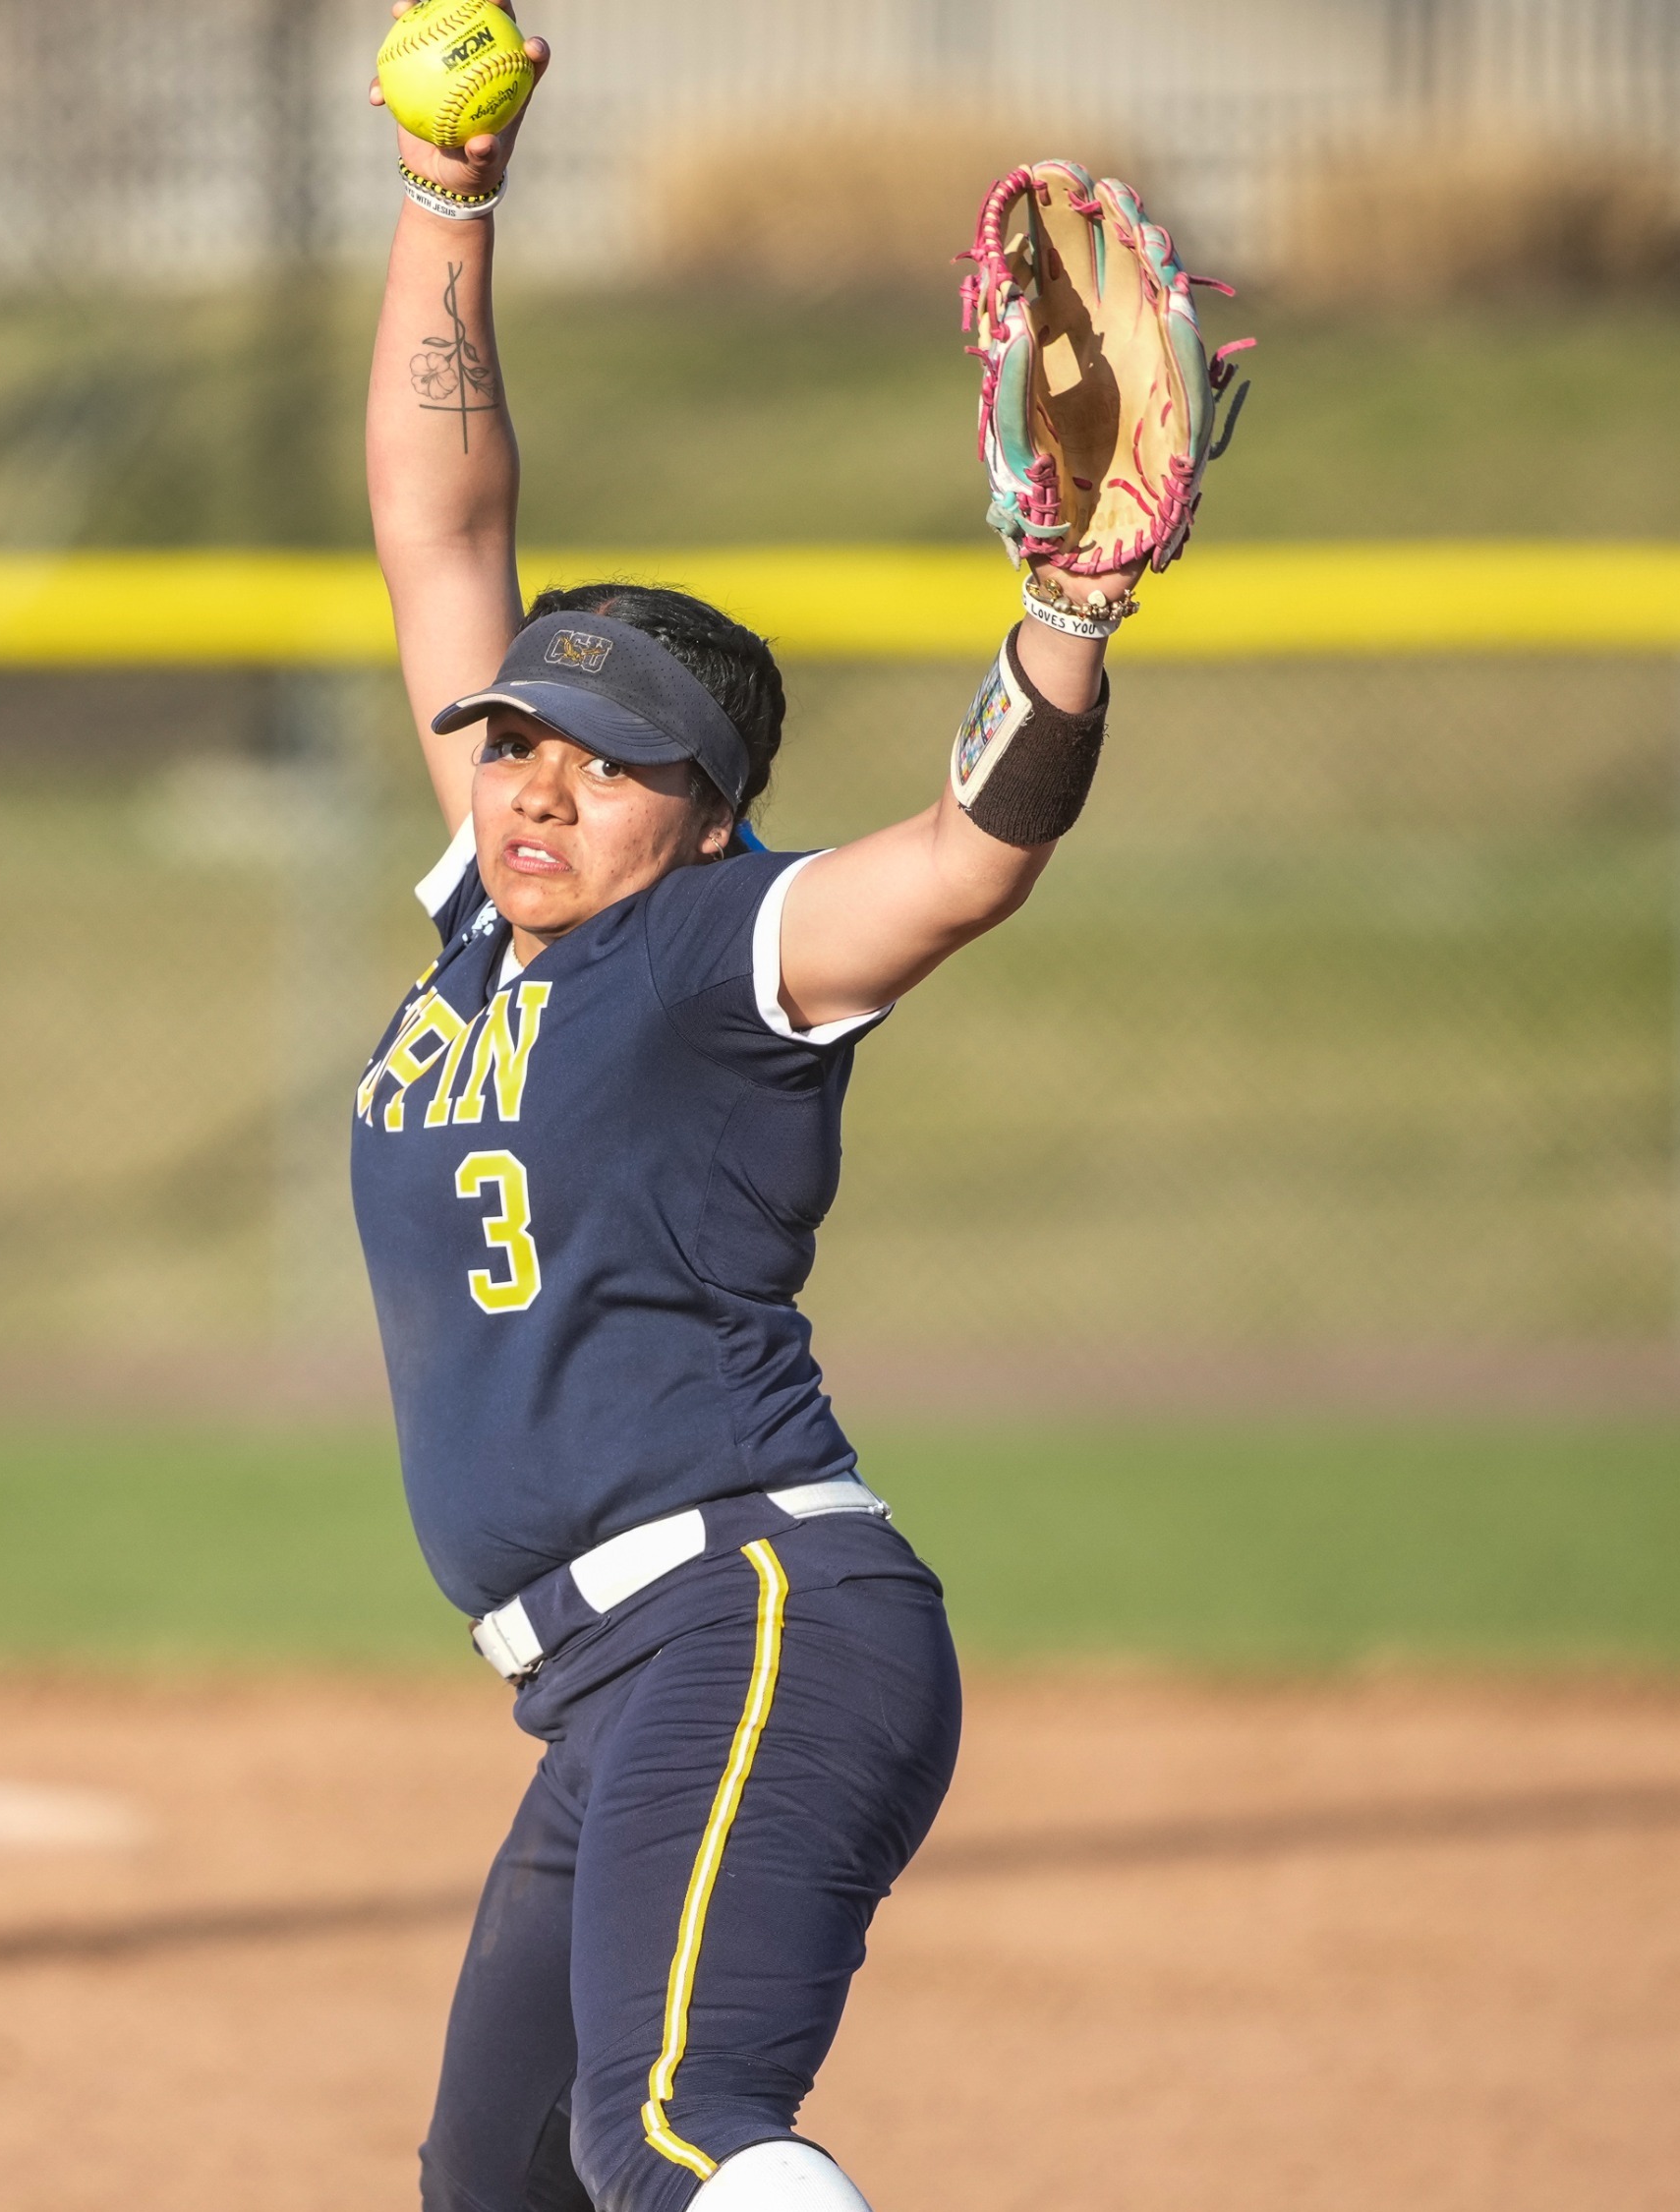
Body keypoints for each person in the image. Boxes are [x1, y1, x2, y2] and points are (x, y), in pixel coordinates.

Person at [357, 29, 1145, 2212]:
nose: (527, 780)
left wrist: (1064, 630)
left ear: (704, 820)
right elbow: (437, 517)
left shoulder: (720, 959)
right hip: (607, 1687)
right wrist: (448, 195)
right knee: (492, 2193)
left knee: (675, 2135)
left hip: (758, 1621)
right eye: (508, 738)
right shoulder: (485, 935)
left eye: (591, 759)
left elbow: (964, 861)